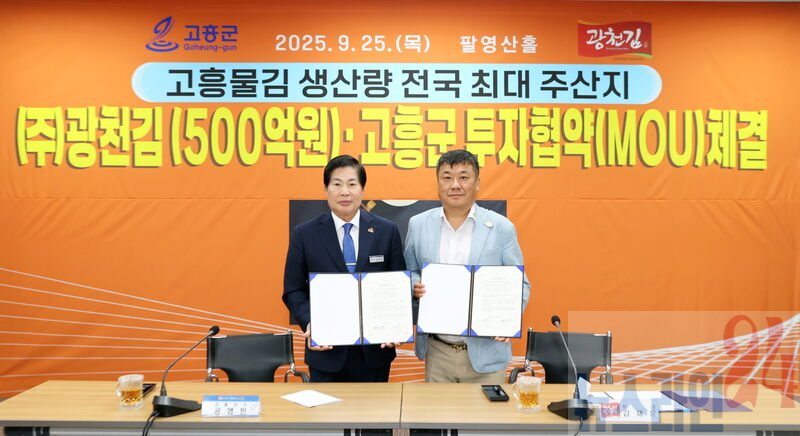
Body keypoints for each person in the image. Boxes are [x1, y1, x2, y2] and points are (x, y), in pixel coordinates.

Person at [404, 149, 531, 383]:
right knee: (437, 409)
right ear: (438, 183)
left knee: (487, 409)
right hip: (438, 351)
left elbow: (519, 283)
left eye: (463, 177)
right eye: (447, 177)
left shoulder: (501, 227)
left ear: (477, 183)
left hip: (487, 353)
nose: (455, 185)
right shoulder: (418, 224)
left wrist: (508, 319)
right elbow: (410, 270)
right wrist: (414, 284)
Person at [282, 154, 406, 382]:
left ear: (363, 189)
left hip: (374, 352)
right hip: (326, 352)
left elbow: (398, 285)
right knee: (326, 406)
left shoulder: (386, 231)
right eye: (337, 184)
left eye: (352, 184)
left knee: (376, 406)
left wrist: (393, 326)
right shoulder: (305, 234)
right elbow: (293, 290)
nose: (345, 192)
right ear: (326, 189)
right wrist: (311, 323)